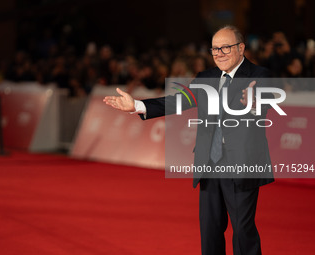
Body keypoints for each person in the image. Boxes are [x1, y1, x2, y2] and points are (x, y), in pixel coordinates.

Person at [103, 25, 274, 255]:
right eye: (215, 49)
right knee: (210, 230)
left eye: (226, 47)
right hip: (209, 163)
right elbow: (179, 101)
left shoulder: (259, 75)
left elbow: (264, 99)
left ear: (241, 48)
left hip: (242, 162)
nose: (219, 54)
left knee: (243, 231)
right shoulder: (206, 77)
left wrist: (253, 102)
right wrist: (138, 105)